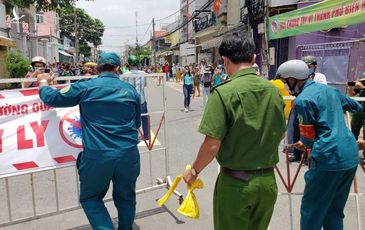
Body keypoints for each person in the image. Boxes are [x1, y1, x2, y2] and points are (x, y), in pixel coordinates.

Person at [183, 33, 286, 230]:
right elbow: (280, 133)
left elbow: (212, 145)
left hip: (236, 185)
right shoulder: (274, 91)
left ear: (225, 60)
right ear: (254, 59)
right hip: (267, 183)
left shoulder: (223, 92)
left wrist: (194, 171)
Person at [37, 52, 141, 230]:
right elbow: (137, 122)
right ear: (117, 68)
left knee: (91, 198)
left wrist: (44, 82)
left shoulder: (85, 87)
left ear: (97, 69)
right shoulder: (130, 91)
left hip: (98, 156)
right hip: (129, 154)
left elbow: (52, 98)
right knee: (126, 198)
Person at [276, 59, 362, 230]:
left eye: (285, 81)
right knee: (334, 211)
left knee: (312, 212)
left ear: (294, 79)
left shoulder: (302, 101)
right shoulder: (329, 90)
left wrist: (303, 143)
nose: (285, 85)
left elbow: (307, 139)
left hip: (328, 158)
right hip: (350, 157)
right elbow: (356, 106)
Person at [287, 55, 328, 162]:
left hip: (313, 109)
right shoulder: (299, 76)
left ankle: (308, 155)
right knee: (296, 129)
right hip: (300, 106)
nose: (307, 68)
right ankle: (296, 154)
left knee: (311, 131)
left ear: (314, 67)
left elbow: (321, 90)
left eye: (309, 66)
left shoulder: (320, 77)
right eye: (305, 66)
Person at [125, 55, 150, 140]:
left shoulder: (125, 75)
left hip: (130, 100)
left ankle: (133, 136)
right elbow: (145, 84)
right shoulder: (143, 73)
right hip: (141, 99)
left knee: (131, 118)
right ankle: (146, 135)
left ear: (129, 64)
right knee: (144, 117)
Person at [348, 72, 365, 163]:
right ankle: (352, 153)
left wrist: (362, 87)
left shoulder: (363, 87)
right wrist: (350, 87)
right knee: (353, 132)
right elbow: (352, 95)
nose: (363, 83)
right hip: (358, 112)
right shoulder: (361, 88)